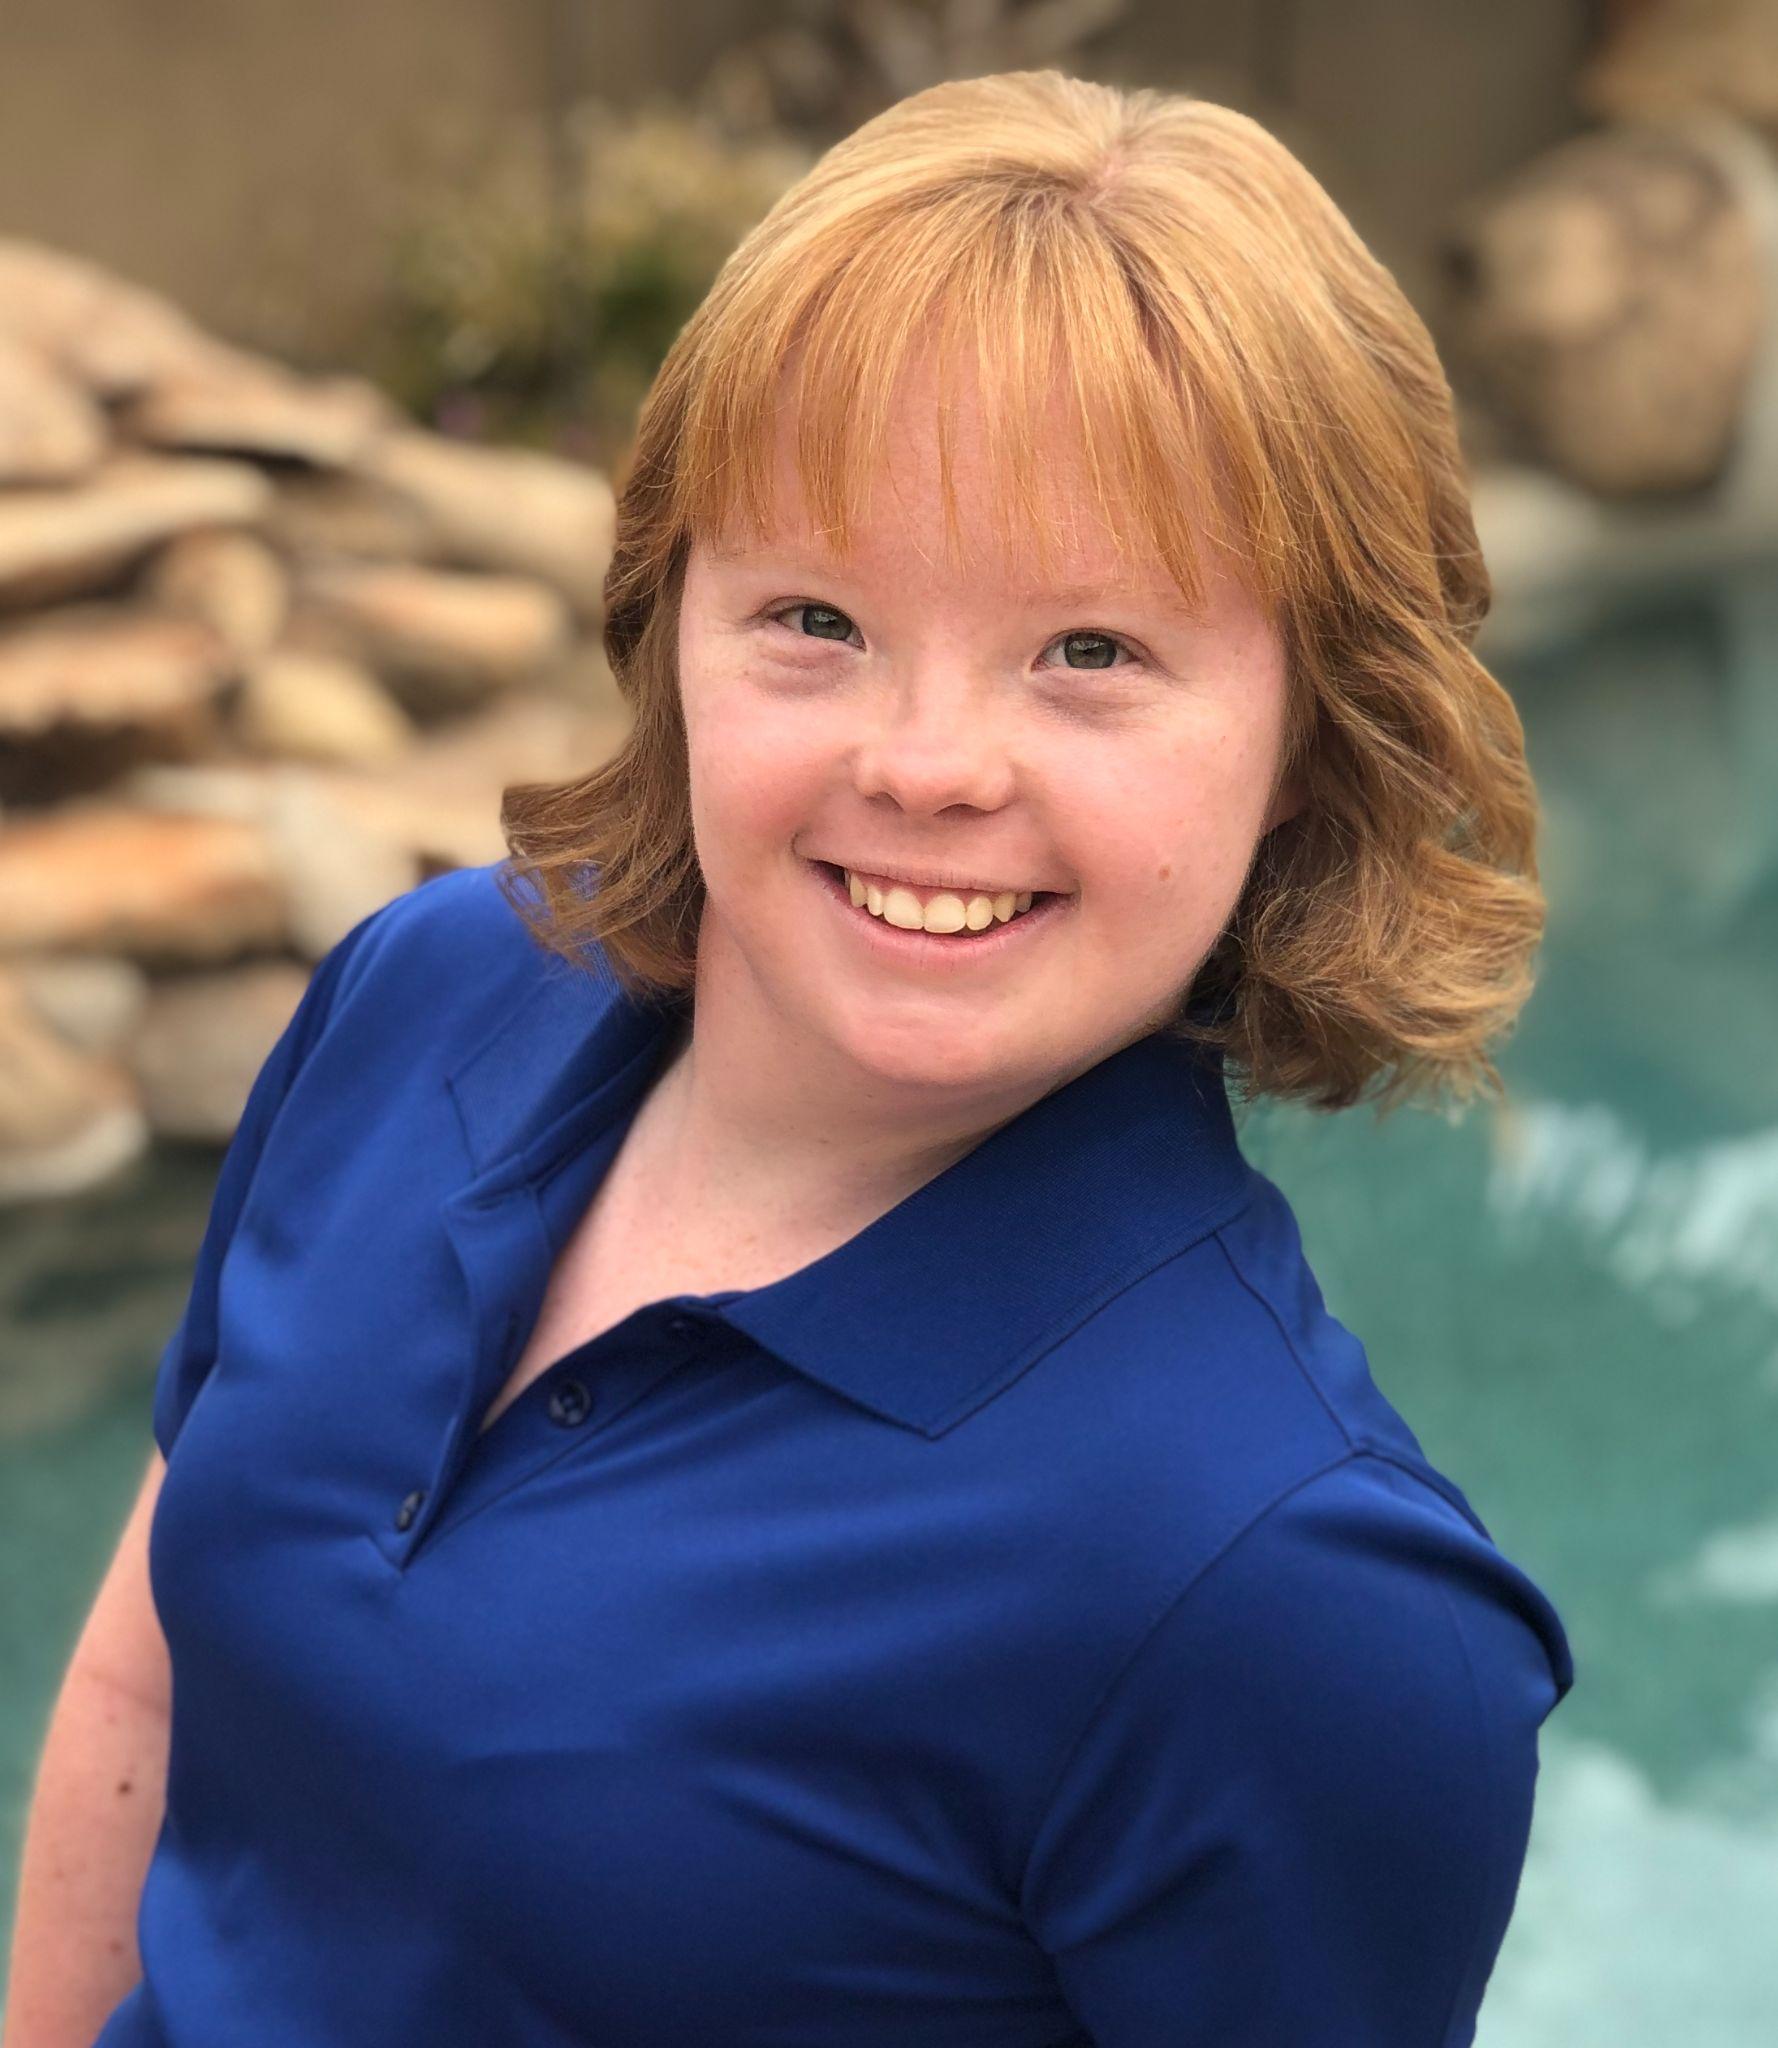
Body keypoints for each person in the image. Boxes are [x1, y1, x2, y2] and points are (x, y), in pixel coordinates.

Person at [9, 69, 1574, 2048]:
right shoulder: (428, 994)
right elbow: (154, 1680)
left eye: (1089, 651)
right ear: (672, 622)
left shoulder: (1297, 1601)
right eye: (814, 616)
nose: (924, 763)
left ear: (1307, 741)